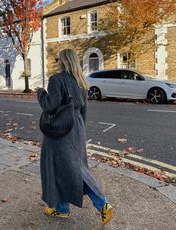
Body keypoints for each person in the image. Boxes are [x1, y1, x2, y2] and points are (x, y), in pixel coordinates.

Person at [37, 49, 113, 225]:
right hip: (77, 126)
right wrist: (79, 129)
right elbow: (84, 111)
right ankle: (62, 209)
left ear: (63, 62)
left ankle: (102, 203)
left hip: (60, 130)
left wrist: (41, 93)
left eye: (58, 60)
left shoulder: (56, 79)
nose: (57, 63)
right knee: (73, 167)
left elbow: (50, 106)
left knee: (61, 167)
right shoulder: (81, 81)